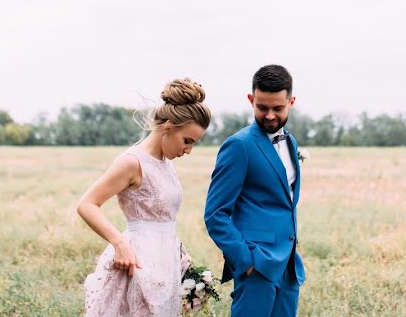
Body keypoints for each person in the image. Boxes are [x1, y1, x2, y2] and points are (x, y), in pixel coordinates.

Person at [78, 78, 211, 317]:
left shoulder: (166, 163)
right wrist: (119, 243)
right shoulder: (131, 162)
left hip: (166, 263)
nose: (188, 150)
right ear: (169, 127)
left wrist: (181, 257)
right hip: (136, 264)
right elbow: (87, 204)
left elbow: (162, 220)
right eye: (187, 141)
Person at [204, 64, 305, 317]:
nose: (270, 115)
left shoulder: (290, 142)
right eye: (262, 107)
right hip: (256, 265)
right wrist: (246, 262)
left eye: (278, 108)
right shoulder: (239, 146)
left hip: (288, 266)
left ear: (291, 102)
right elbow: (215, 214)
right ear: (251, 100)